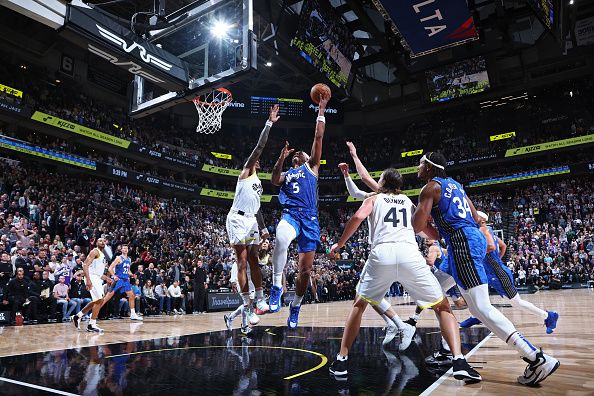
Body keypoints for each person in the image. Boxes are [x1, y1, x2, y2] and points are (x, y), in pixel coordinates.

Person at [412, 152, 559, 386]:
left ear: (429, 167)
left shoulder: (430, 188)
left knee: (482, 307)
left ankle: (536, 358)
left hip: (462, 242)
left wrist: (423, 218)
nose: (417, 168)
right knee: (478, 308)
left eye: (420, 164)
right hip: (471, 239)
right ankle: (533, 358)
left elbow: (418, 226)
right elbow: (476, 217)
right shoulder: (457, 186)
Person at [327, 169, 480, 383]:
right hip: (410, 254)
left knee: (359, 304)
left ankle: (341, 361)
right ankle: (459, 361)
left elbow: (357, 217)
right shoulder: (408, 201)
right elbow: (426, 228)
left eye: (379, 179)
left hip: (382, 254)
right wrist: (441, 236)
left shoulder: (375, 198)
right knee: (442, 306)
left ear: (383, 182)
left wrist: (339, 244)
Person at [269, 93, 329, 329]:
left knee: (304, 272)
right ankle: (276, 288)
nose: (297, 154)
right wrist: (281, 158)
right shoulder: (288, 173)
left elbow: (318, 136)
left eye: (298, 154)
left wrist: (321, 111)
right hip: (291, 214)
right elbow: (274, 180)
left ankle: (295, 306)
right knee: (281, 237)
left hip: (310, 220)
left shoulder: (312, 166)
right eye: (295, 154)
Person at [225, 104, 279, 333]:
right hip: (236, 220)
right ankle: (246, 306)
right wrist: (269, 123)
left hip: (251, 220)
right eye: (256, 158)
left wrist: (264, 227)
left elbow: (256, 208)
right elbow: (259, 147)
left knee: (256, 260)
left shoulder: (257, 183)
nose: (258, 160)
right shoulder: (246, 172)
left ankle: (259, 298)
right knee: (242, 261)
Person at [459, 211, 559, 334]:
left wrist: (474, 255)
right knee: (476, 294)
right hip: (490, 271)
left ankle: (549, 316)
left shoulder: (483, 230)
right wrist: (496, 260)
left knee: (516, 302)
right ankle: (476, 317)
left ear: (481, 220)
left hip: (498, 274)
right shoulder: (486, 231)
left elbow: (492, 247)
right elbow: (503, 245)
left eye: (473, 217)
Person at [72, 237, 111, 333]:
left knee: (96, 301)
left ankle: (78, 316)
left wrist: (106, 278)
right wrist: (88, 280)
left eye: (104, 241)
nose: (102, 242)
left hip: (97, 278)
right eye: (100, 240)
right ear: (96, 243)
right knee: (100, 300)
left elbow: (97, 271)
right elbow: (85, 265)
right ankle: (91, 324)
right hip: (92, 277)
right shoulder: (95, 251)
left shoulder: (102, 255)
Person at [108, 244, 142, 321]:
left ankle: (133, 314)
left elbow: (128, 270)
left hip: (125, 280)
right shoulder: (118, 258)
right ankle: (93, 313)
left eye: (126, 248)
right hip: (119, 279)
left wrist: (132, 275)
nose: (125, 249)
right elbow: (110, 268)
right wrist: (114, 276)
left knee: (132, 296)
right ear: (121, 250)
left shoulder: (129, 259)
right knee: (107, 297)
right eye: (124, 248)